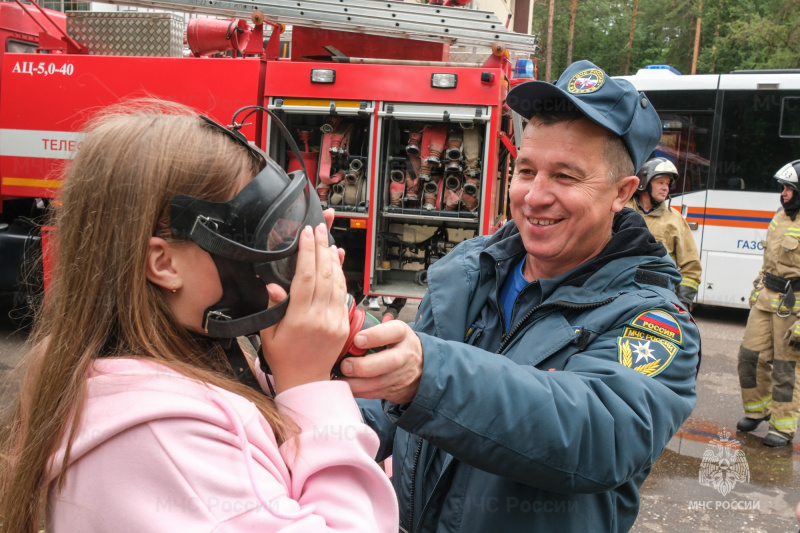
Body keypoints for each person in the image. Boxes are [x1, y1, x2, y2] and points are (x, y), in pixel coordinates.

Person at [0, 100, 398, 532]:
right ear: (165, 264)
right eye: (260, 236)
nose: (290, 256)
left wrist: (302, 363)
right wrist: (310, 387)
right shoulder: (163, 439)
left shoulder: (185, 356)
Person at [339, 60, 701, 532]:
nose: (534, 196)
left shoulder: (654, 320)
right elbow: (387, 404)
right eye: (527, 170)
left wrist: (426, 373)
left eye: (566, 177)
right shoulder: (467, 274)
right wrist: (322, 413)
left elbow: (596, 436)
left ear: (623, 192)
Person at [737, 159, 800, 448]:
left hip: (794, 305)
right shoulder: (780, 215)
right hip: (766, 298)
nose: (783, 193)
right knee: (749, 356)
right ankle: (757, 411)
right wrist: (757, 287)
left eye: (789, 188)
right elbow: (770, 261)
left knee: (785, 369)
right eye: (783, 188)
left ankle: (783, 427)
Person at [626, 157, 702, 310]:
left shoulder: (675, 220)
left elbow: (691, 266)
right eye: (660, 182)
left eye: (667, 184)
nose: (665, 188)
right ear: (644, 182)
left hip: (658, 299)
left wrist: (683, 303)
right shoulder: (620, 209)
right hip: (620, 293)